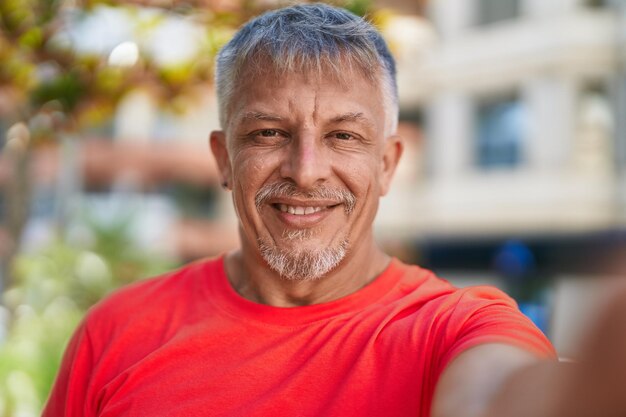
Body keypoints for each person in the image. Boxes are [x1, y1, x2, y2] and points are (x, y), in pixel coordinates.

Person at [43, 3, 626, 417]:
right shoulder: (116, 329)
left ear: (388, 164)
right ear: (223, 158)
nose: (306, 169)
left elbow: (494, 396)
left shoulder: (457, 330)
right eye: (269, 132)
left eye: (344, 137)